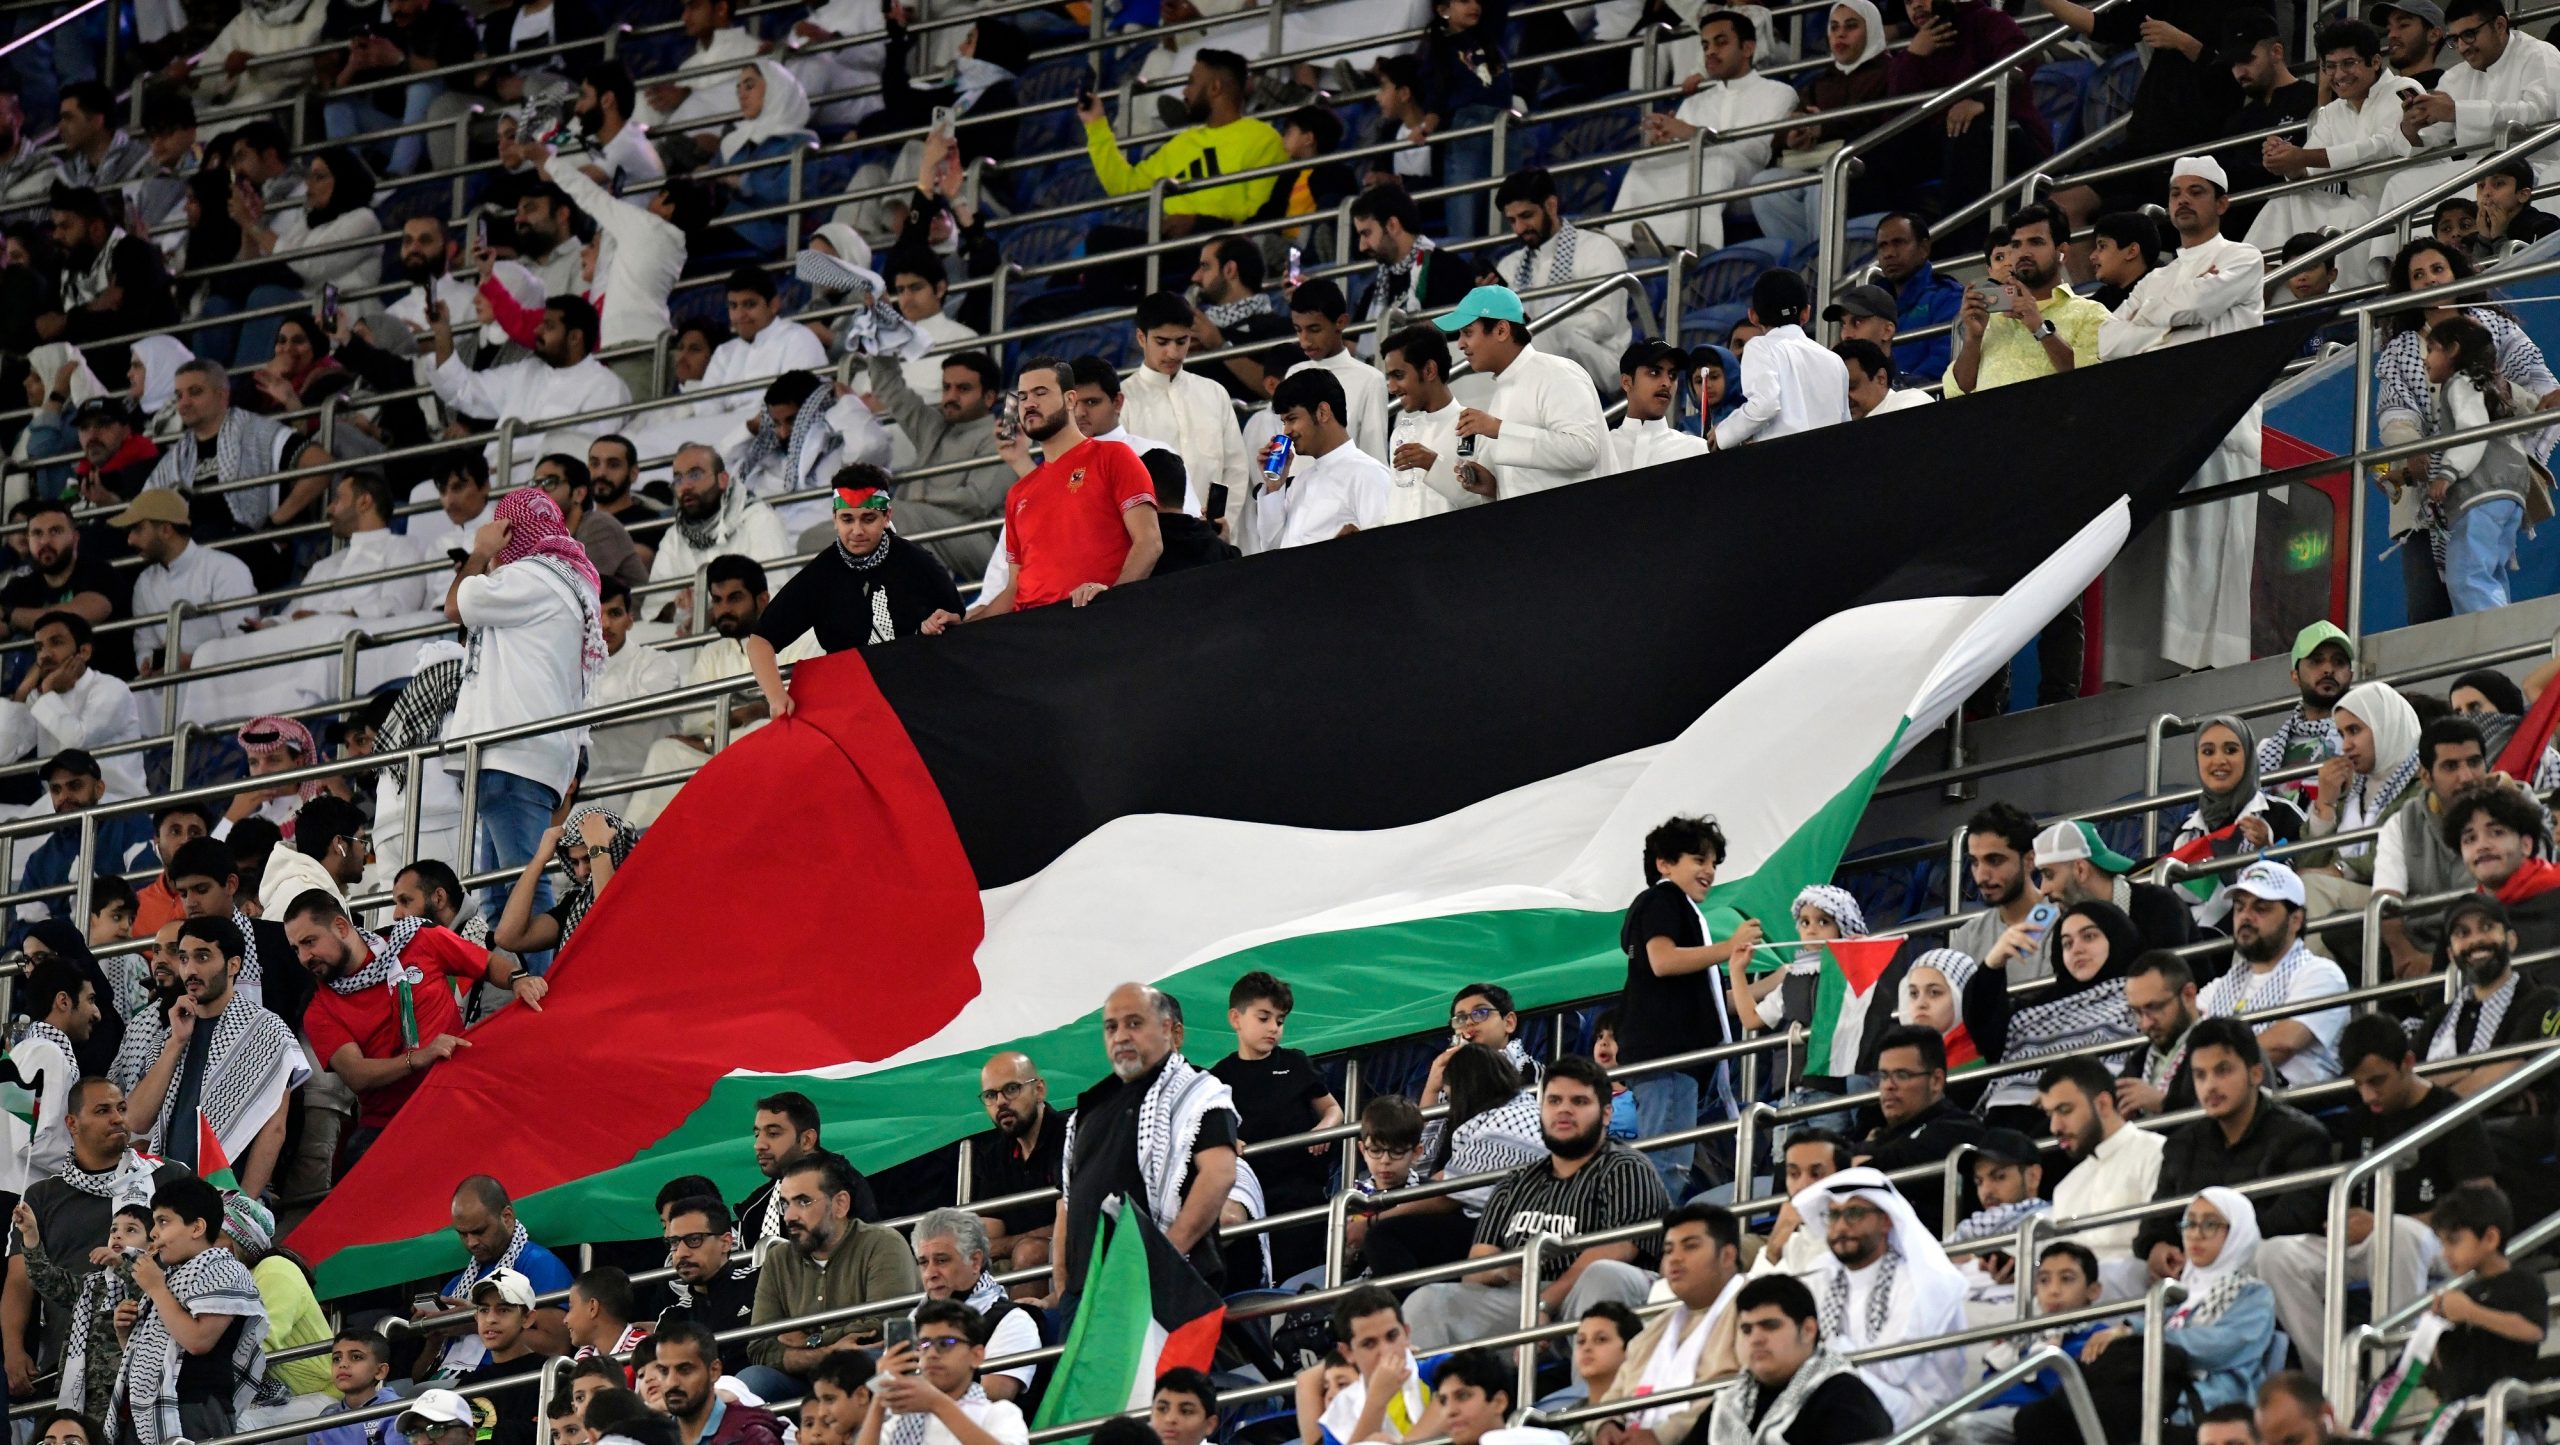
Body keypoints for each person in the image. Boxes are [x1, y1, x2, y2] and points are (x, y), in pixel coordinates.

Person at [2096, 157, 2266, 680]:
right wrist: (2172, 320)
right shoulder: (2157, 277)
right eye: (2175, 193)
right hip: (2162, 424)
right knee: (2158, 551)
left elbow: (2194, 308)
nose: (2183, 201)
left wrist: (2155, 320)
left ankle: (2209, 669)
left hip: (2223, 427)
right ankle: (2146, 671)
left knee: (2213, 546)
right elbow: (2107, 342)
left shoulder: (2244, 257)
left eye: (2196, 191)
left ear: (2222, 203)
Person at [2257, 1013, 2494, 1375]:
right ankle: (2332, 1378)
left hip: (2438, 1244)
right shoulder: (2360, 1118)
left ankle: (2395, 1374)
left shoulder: (2451, 1112)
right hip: (2368, 1241)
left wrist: (2384, 1222)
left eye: (2378, 1081)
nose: (2369, 1095)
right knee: (2274, 1255)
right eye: (2359, 1084)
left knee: (2397, 1235)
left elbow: (2482, 1204)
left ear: (2408, 1063)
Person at [1401, 1055, 1669, 1349]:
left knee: (1603, 1275)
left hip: (1591, 1294)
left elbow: (1617, 1249)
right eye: (1554, 1101)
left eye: (1579, 1102)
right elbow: (1477, 1269)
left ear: (1606, 1114)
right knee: (1426, 1303)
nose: (1564, 1110)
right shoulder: (1515, 1182)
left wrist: (1543, 1305)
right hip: (1523, 1295)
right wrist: (1502, 1271)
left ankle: (1595, 1392)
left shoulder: (1626, 1166)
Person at [441, 487, 605, 932]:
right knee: (502, 899)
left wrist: (480, 552)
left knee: (521, 898)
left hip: (511, 758)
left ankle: (544, 994)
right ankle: (527, 992)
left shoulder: (534, 576)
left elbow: (456, 604)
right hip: (527, 760)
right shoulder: (567, 582)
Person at [928, 359, 1161, 628]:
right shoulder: (1019, 492)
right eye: (1023, 396)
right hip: (1031, 638)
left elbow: (1149, 543)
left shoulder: (1114, 456)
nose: (1029, 403)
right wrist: (962, 626)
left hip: (1095, 624)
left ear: (1070, 399)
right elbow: (1013, 589)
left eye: (1041, 393)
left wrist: (1113, 601)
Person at [1048, 984, 1237, 1306]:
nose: (1121, 1035)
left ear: (1167, 1029)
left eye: (1134, 1023)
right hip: (1088, 1299)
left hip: (1163, 1289)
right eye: (1111, 1027)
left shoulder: (1198, 1094)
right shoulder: (1089, 1109)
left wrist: (1163, 1260)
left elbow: (1219, 1175)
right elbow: (1070, 1201)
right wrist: (1065, 1286)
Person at [4, 1078, 183, 1409]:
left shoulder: (169, 1177)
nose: (117, 1118)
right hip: (70, 1365)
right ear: (72, 1123)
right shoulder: (42, 1196)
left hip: (158, 1358)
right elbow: (20, 1280)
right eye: (103, 1110)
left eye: (121, 1108)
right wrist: (13, 1349)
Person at [1617, 814, 1753, 1196]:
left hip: (1670, 1059)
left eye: (1713, 863)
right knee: (1668, 1164)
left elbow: (1712, 1001)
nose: (1709, 870)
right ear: (1665, 864)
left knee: (1669, 1160)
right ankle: (1652, 1245)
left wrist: (1784, 979)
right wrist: (1729, 948)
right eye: (1698, 859)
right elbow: (1663, 960)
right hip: (1670, 1058)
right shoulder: (1664, 899)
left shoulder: (1667, 905)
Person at [2134, 1019, 2335, 1276]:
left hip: (2264, 1270)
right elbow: (2157, 1219)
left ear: (2255, 1074)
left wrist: (2216, 1243)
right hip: (2194, 1273)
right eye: (2200, 1075)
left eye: (2223, 1070)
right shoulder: (2183, 1144)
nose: (2210, 1086)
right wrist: (2157, 1247)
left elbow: (2296, 1219)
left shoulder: (2301, 1136)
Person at [121, 917, 304, 1195]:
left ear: (233, 965)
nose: (190, 970)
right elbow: (137, 1119)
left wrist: (243, 1205)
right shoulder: (171, 1034)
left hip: (227, 1194)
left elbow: (274, 1129)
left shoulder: (267, 1031)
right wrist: (176, 1043)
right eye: (184, 959)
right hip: (168, 1194)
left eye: (203, 957)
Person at [106, 1175, 280, 1445]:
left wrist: (156, 1289)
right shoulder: (173, 1275)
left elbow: (198, 1341)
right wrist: (126, 1334)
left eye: (163, 1221)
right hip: (147, 1413)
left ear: (197, 1227)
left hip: (194, 1408)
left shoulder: (224, 1268)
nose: (153, 1232)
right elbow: (161, 1350)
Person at [2076, 1189, 2277, 1422]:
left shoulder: (2253, 1293)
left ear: (2237, 1232)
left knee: (2094, 1410)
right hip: (2163, 1388)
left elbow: (2220, 1346)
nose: (2196, 1235)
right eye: (2189, 1224)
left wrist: (2141, 1333)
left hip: (2208, 1404)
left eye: (2210, 1224)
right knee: (2049, 1415)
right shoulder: (2181, 1292)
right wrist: (2127, 1331)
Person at [1786, 1168, 1965, 1427]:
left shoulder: (1922, 1282)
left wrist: (1826, 1351)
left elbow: (1893, 1370)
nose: (1841, 1226)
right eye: (1834, 1215)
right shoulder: (1820, 1279)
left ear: (1886, 1220)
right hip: (1841, 1394)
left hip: (1917, 1409)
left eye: (1855, 1213)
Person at [135, 359, 331, 594]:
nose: (184, 403)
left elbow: (321, 464)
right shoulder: (177, 456)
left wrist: (276, 522)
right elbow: (144, 509)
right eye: (179, 396)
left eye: (195, 392)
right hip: (193, 559)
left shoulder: (256, 431)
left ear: (222, 395)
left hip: (250, 549)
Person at [1608, 10, 1796, 253]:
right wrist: (1663, 143)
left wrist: (1693, 133)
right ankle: (1623, 242)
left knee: (1715, 162)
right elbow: (1682, 148)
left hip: (1749, 183)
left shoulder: (1778, 92)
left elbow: (1759, 152)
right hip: (1710, 173)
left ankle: (1691, 245)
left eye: (1721, 43)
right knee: (1646, 163)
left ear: (1748, 48)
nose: (1710, 52)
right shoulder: (1694, 102)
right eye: (1705, 45)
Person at [2248, 21, 2425, 254]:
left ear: (2374, 61)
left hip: (2412, 205)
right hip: (2361, 208)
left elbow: (2385, 146)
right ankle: (2251, 276)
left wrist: (2302, 156)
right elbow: (2307, 171)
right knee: (2284, 202)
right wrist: (2285, 160)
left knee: (2347, 221)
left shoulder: (2402, 88)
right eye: (2330, 66)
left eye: (2348, 63)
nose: (2339, 74)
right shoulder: (2332, 112)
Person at [1209, 973, 1340, 1284]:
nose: (1273, 1028)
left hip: (1301, 1195)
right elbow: (1210, 1131)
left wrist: (1321, 1130)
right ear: (1235, 1019)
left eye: (1280, 1021)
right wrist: (1229, 1140)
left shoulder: (1296, 1063)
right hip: (1251, 1200)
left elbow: (1334, 1110)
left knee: (1302, 1281)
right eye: (1264, 1017)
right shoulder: (1218, 1078)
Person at [744, 1153, 917, 1382]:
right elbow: (760, 1346)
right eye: (785, 1204)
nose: (789, 1216)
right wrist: (825, 1350)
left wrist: (807, 1340)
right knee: (752, 1379)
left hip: (865, 1367)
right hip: (801, 1376)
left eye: (803, 1202)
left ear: (840, 1204)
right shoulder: (778, 1259)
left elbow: (879, 1328)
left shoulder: (883, 1243)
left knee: (867, 1361)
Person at [1077, 51, 1286, 233]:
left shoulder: (1264, 139)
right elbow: (1124, 188)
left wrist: (1197, 222)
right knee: (1100, 241)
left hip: (1222, 249)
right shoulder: (1183, 141)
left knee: (1102, 244)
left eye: (1191, 82)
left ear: (1215, 88)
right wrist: (1096, 125)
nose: (1185, 92)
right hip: (1169, 248)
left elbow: (1260, 214)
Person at [428, 296, 632, 480]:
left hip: (545, 488)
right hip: (490, 480)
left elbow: (588, 456)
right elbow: (463, 389)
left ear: (574, 337)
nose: (537, 331)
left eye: (548, 326)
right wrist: (442, 332)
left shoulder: (606, 387)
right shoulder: (527, 370)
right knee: (423, 493)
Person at [1434, 286, 1607, 499]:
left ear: (1501, 331)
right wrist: (1491, 486)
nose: (1460, 344)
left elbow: (1584, 450)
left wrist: (1498, 429)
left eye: (1468, 332)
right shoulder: (1502, 392)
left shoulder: (1557, 373)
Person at [1592, 1202, 1744, 1442]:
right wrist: (1606, 1425)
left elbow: (1740, 1394)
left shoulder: (1752, 1313)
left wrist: (1660, 1436)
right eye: (1669, 1250)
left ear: (1727, 1255)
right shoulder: (1653, 1331)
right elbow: (1615, 1396)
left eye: (1690, 1246)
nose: (1675, 1259)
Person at [2423, 314, 2540, 614]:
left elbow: (2471, 431)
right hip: (2510, 492)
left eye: (2432, 349)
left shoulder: (2459, 384)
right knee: (2491, 571)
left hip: (2481, 492)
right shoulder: (2489, 386)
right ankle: (2501, 630)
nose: (2425, 359)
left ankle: (2486, 641)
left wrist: (2447, 474)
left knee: (2466, 574)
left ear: (2452, 350)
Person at [2195, 861, 2350, 1085]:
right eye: (2239, 907)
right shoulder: (2219, 987)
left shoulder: (2320, 974)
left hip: (2296, 1108)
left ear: (2295, 920)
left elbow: (2282, 1044)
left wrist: (2207, 1067)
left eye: (2261, 908)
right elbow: (2186, 1045)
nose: (2246, 917)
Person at [1702, 1274, 1894, 1445]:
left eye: (1770, 1325)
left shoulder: (1847, 1398)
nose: (1755, 1339)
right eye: (1746, 1330)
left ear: (1808, 1330)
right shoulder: (1730, 1404)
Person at [416, 1177, 575, 1379]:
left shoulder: (539, 1265)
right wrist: (433, 1335)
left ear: (507, 1217)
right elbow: (419, 1377)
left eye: (479, 1231)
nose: (471, 1242)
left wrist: (476, 1323)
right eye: (463, 1235)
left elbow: (557, 1347)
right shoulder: (457, 1285)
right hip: (445, 1390)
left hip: (501, 1388)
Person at [2369, 716, 2495, 971]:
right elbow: (2386, 901)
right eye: (2450, 766)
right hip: (2427, 944)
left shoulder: (2515, 804)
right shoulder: (2401, 823)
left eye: (2474, 762)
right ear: (2426, 776)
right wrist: (2406, 956)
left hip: (2499, 935)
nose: (2467, 777)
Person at [2425, 1184, 2548, 1443]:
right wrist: (2433, 1330)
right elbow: (2443, 1366)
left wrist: (2472, 1313)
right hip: (2460, 1421)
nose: (2446, 1254)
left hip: (2506, 1415)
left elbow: (2532, 1330)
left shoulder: (2522, 1281)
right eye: (2442, 1243)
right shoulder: (2462, 1293)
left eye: (2454, 1240)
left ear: (2490, 1238)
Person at [1492, 169, 1633, 392]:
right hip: (1530, 361)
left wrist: (1537, 329)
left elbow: (1604, 322)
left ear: (1551, 206)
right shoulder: (1510, 264)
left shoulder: (1598, 248)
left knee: (1544, 333)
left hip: (1601, 360)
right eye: (1512, 220)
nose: (1519, 228)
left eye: (1526, 216)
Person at [1945, 203, 2106, 397]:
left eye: (2036, 242)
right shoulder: (1991, 319)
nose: (2023, 253)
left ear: (2062, 252)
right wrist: (1973, 338)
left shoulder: (2091, 313)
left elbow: (2095, 381)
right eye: (2016, 245)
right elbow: (1957, 391)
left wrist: (2040, 328)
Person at [2039, 1056, 2167, 1293]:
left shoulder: (2155, 1152)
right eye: (2050, 1115)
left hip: (2137, 1295)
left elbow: (2160, 1243)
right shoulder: (2067, 1186)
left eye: (2064, 1110)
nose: (2055, 1127)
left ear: (2103, 1104)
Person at [2169, 715, 2308, 930]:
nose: (2219, 761)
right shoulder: (2187, 831)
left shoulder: (2281, 814)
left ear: (2249, 757)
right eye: (2207, 752)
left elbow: (2307, 881)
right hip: (2197, 942)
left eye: (2231, 750)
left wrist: (2267, 850)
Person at [1122, 294, 1252, 520]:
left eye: (1181, 341)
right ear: (1141, 338)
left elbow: (1234, 468)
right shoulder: (1123, 400)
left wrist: (1220, 521)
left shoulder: (1213, 392)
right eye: (1162, 342)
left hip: (1213, 534)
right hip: (1155, 537)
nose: (1172, 353)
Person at [1851, 1025, 1987, 1237]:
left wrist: (1860, 1163)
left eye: (1901, 1075)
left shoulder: (1958, 1127)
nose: (1888, 1086)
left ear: (1936, 1081)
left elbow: (1901, 1158)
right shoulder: (1882, 1136)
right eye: (1884, 1076)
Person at [2417, 894, 2560, 1094]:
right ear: (2451, 954)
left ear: (2511, 940)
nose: (2476, 940)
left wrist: (2430, 1093)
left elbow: (2508, 1071)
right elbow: (2404, 1080)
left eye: (2487, 927)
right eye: (2462, 933)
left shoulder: (2542, 1001)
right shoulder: (2439, 1017)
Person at [1246, 370, 1391, 552]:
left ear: (1322, 412)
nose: (1287, 431)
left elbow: (1384, 551)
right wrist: (1274, 487)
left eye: (1292, 419)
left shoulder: (1369, 474)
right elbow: (1273, 548)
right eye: (1284, 422)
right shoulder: (1299, 482)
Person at [853, 1299, 1028, 1445]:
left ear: (976, 1355)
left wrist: (937, 1403)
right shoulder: (900, 1421)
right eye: (924, 1344)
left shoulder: (999, 1414)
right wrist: (880, 1395)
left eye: (945, 1343)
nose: (932, 1354)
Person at [909, 1210, 1040, 1401]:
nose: (930, 1273)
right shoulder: (913, 1319)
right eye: (923, 1262)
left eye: (942, 1260)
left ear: (975, 1261)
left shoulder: (1012, 1322)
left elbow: (988, 1404)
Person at [1713, 271, 1851, 449]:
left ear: (1753, 316)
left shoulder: (1760, 347)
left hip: (1783, 467)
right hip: (1830, 466)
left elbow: (1765, 404)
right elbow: (1845, 424)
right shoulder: (1835, 361)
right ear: (1806, 313)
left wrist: (1723, 434)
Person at [2032, 820, 2198, 956]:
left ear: (2080, 870)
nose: (2043, 889)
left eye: (2049, 875)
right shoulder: (2066, 930)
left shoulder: (2159, 906)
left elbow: (2169, 982)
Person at [493, 805, 638, 959]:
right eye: (574, 862)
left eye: (589, 858)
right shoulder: (576, 904)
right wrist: (540, 859)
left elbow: (610, 921)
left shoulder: (641, 887)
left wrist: (598, 847)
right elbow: (508, 937)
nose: (581, 872)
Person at [736, 1092, 878, 1251]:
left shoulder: (846, 1185)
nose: (759, 1145)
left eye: (773, 1133)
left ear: (807, 1140)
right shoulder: (754, 1209)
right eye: (757, 1134)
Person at [651, 445, 797, 591]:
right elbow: (653, 608)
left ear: (723, 479)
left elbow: (775, 594)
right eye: (678, 479)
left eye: (695, 475)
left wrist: (704, 608)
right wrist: (676, 606)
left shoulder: (760, 520)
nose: (685, 486)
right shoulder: (673, 538)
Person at [299, 472, 442, 621]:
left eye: (338, 498)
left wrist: (328, 618)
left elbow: (398, 605)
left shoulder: (403, 548)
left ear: (364, 502)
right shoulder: (323, 565)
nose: (329, 509)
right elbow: (289, 615)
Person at [967, 1054, 1063, 1275]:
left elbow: (1077, 1223)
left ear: (1039, 1090)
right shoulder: (994, 1156)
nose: (1000, 1102)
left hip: (1078, 1260)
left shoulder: (1074, 1136)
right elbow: (987, 1242)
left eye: (1011, 1089)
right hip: (1015, 1266)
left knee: (1029, 1253)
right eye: (990, 1095)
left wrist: (1017, 1244)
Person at [1279, 280, 1393, 465]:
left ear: (1341, 322)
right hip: (1296, 490)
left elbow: (1374, 456)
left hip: (1345, 491)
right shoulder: (1294, 373)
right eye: (1298, 330)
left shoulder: (1369, 379)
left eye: (1314, 329)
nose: (1304, 341)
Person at [1351, 185, 1473, 347]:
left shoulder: (1449, 270)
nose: (1362, 246)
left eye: (1366, 233)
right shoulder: (1373, 290)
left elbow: (1466, 331)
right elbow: (1351, 348)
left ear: (1392, 225)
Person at [658, 1196, 760, 1376]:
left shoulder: (759, 1284)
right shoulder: (672, 1318)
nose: (681, 1253)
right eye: (674, 1242)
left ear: (726, 1242)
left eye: (695, 1240)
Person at [2257, 622, 2358, 794]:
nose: (2328, 669)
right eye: (2316, 661)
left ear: (2351, 675)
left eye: (2339, 662)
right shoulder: (2267, 750)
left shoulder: (2362, 740)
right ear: (2295, 676)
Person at [455, 1268, 551, 1445]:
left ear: (528, 1318)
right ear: (476, 1317)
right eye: (484, 1310)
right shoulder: (468, 1386)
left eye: (504, 1310)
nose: (491, 1319)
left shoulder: (551, 1374)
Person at [531, 455, 649, 592]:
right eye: (535, 484)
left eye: (549, 482)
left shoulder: (599, 526)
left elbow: (577, 591)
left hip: (630, 612)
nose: (538, 492)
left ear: (579, 494)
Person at [655, 1319, 780, 1445]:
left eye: (685, 1370)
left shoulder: (751, 1437)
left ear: (714, 1371)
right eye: (663, 1371)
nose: (671, 1382)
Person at [1606, 341, 1713, 473]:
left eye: (1673, 375)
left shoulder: (1696, 450)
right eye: (1654, 372)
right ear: (1626, 382)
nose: (1667, 383)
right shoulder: (1602, 449)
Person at [306, 1330, 398, 1445]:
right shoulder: (325, 1419)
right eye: (336, 1359)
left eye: (356, 1357)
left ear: (380, 1371)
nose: (342, 1364)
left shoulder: (395, 1410)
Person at [1838, 342, 1931, 420]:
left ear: (1880, 378)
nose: (1844, 398)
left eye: (1851, 387)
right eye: (1837, 391)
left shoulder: (1910, 403)